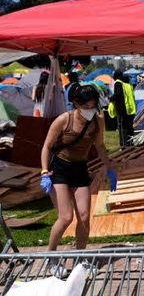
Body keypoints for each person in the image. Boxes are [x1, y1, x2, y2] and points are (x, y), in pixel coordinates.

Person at [41, 85, 117, 276]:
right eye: (87, 106)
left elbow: (100, 146)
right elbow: (47, 146)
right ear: (77, 104)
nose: (91, 109)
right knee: (66, 217)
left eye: (94, 105)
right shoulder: (64, 120)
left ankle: (80, 258)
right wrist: (44, 172)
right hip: (60, 168)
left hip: (80, 169)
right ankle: (51, 257)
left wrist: (109, 168)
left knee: (83, 217)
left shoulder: (98, 121)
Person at [110, 70, 136, 147]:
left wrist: (111, 98)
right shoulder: (128, 85)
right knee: (129, 127)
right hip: (130, 110)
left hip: (121, 110)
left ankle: (124, 145)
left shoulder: (118, 83)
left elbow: (118, 94)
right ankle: (130, 143)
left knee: (122, 128)